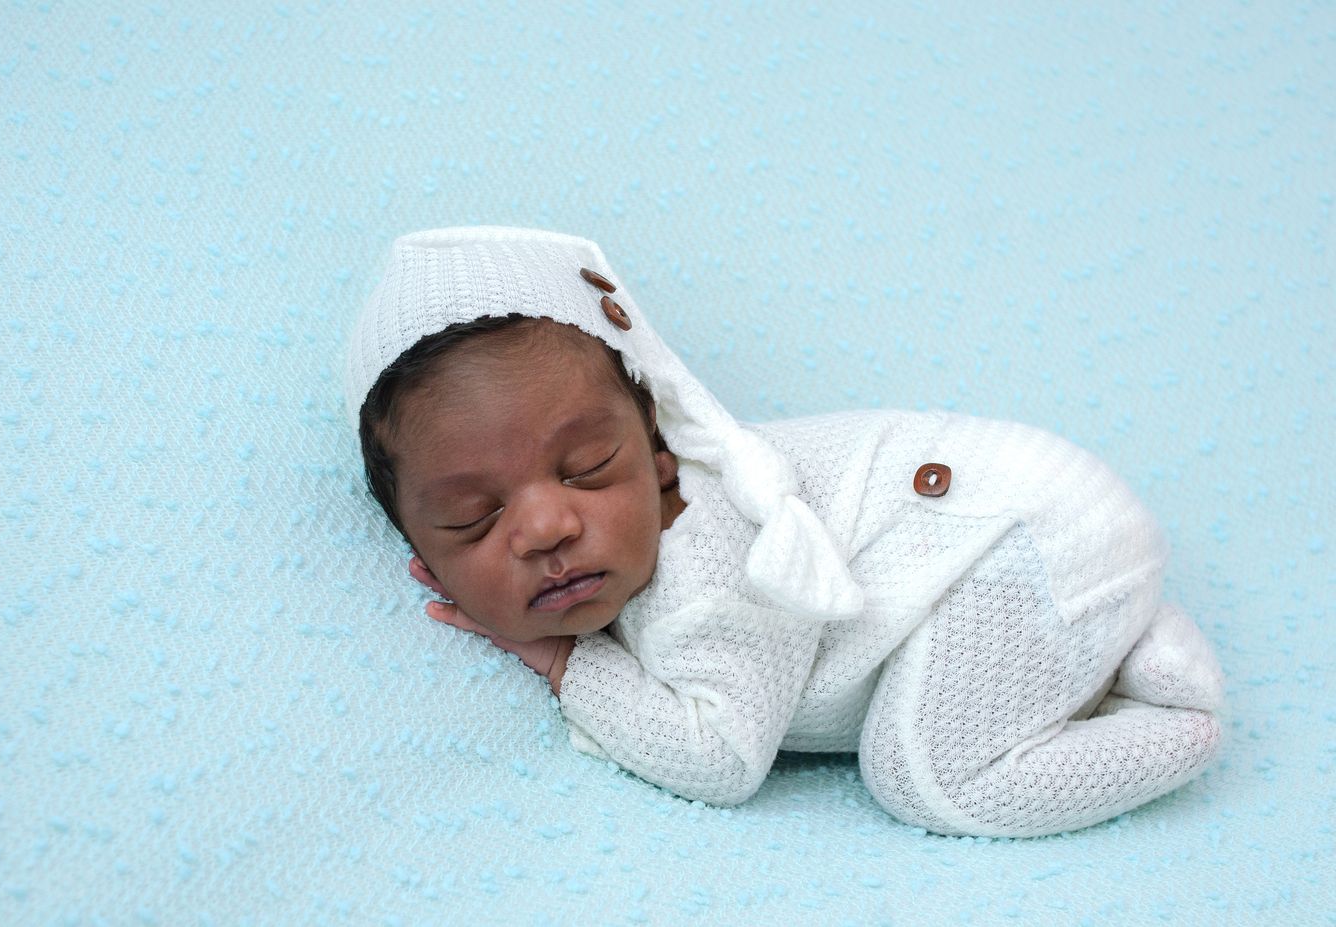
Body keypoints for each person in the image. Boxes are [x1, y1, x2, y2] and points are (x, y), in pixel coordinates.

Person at [344, 225, 1225, 838]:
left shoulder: (709, 553)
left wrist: (568, 663)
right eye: (475, 517)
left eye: (587, 468)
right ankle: (1127, 633)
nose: (546, 525)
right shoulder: (633, 539)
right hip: (1031, 521)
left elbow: (724, 758)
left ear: (659, 450)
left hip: (1023, 536)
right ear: (423, 555)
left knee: (927, 776)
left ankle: (1176, 721)